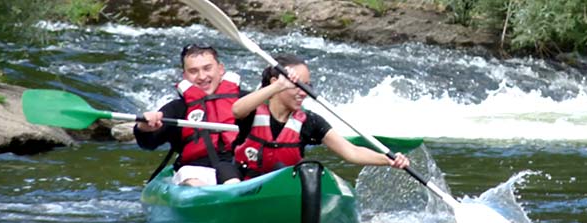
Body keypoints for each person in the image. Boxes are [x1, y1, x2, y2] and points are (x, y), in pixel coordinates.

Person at [231, 54, 409, 178]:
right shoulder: (253, 109)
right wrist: (280, 85)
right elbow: (237, 110)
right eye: (297, 85)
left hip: (282, 189)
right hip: (246, 185)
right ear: (275, 83)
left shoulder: (310, 122)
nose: (304, 92)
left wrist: (387, 160)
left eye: (307, 86)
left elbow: (351, 152)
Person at [135, 44, 251, 186]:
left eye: (207, 68)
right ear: (184, 76)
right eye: (193, 71)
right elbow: (148, 143)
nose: (202, 76)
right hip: (197, 174)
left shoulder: (245, 101)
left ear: (220, 69)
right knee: (190, 176)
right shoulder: (178, 108)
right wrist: (144, 127)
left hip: (240, 170)